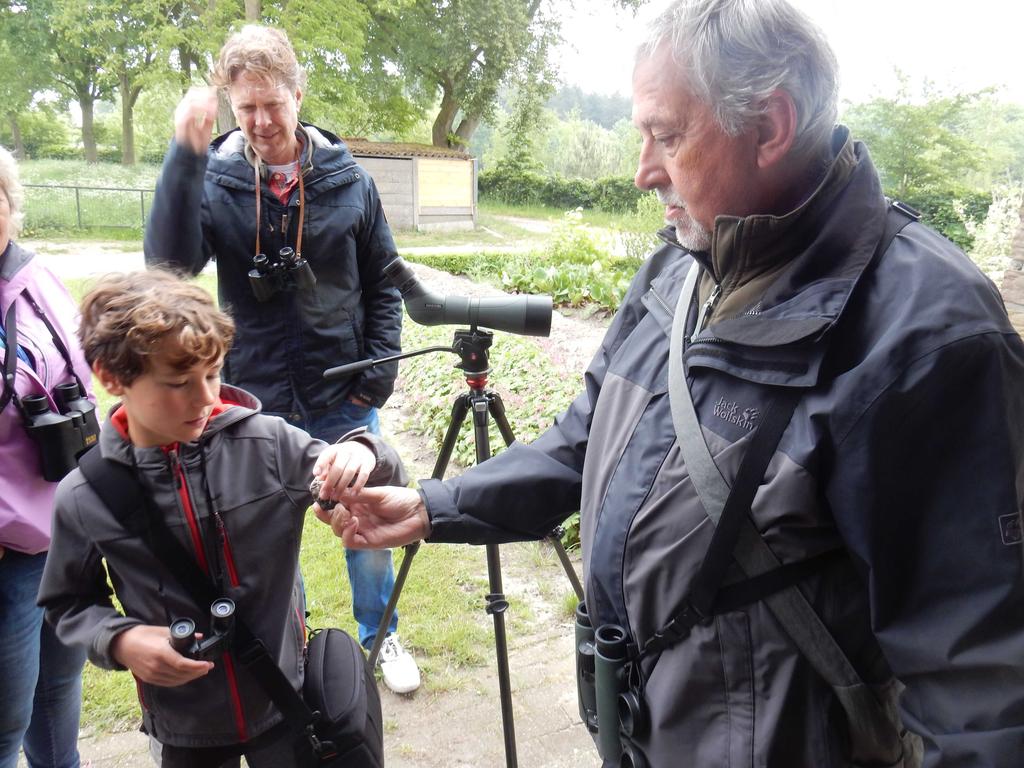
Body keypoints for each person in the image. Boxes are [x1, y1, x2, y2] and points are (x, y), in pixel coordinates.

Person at [314, 1, 1024, 766]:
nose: (642, 169)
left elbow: (981, 689)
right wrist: (432, 505)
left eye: (667, 134)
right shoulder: (680, 267)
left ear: (770, 125)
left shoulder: (927, 336)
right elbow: (581, 444)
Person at [143, 24, 419, 693]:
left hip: (340, 393)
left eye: (273, 103)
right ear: (232, 109)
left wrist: (375, 379)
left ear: (299, 92)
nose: (262, 121)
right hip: (256, 395)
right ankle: (288, 643)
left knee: (367, 519)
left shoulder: (348, 178)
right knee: (266, 539)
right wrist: (185, 155)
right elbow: (170, 266)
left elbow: (382, 279)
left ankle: (380, 636)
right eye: (247, 108)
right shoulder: (217, 177)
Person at [37, 269, 407, 767]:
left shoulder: (267, 444)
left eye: (213, 373)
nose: (206, 397)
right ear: (110, 377)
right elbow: (67, 603)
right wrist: (120, 640)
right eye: (178, 382)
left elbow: (383, 473)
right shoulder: (85, 495)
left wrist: (363, 453)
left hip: (285, 702)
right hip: (184, 727)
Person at [0, 146, 89, 768]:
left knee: (57, 699)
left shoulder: (36, 279)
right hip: (6, 558)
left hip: (62, 538)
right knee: (4, 727)